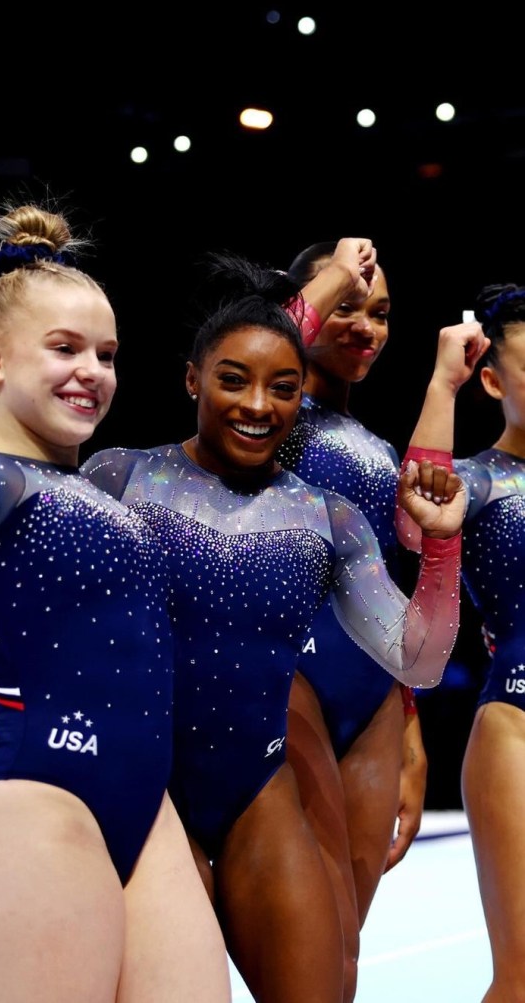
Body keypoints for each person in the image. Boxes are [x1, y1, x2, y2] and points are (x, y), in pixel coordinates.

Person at [0, 204, 232, 1003]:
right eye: (64, 348)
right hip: (35, 807)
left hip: (144, 812)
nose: (92, 370)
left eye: (106, 354)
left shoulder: (93, 488)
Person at [80, 254, 466, 1003]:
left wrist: (443, 546)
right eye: (233, 380)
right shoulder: (120, 479)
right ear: (192, 380)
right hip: (148, 792)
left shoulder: (330, 519)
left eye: (283, 388)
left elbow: (417, 661)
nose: (257, 405)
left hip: (258, 790)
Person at [278, 241, 488, 1001]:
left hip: (370, 697)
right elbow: (270, 340)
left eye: (380, 312)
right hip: (287, 686)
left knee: (343, 955)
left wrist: (407, 725)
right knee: (300, 956)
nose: (366, 327)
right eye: (345, 305)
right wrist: (336, 271)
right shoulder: (264, 412)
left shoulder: (369, 445)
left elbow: (413, 537)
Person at [452, 283, 525, 1003]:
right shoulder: (473, 482)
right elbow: (412, 519)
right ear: (494, 381)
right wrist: (441, 385)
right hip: (517, 732)